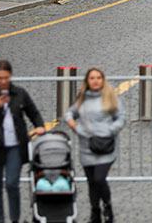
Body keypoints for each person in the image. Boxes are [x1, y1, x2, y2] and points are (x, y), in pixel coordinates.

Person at [0, 60, 46, 223]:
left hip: (15, 146)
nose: (2, 81)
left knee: (12, 184)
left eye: (6, 78)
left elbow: (33, 111)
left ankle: (15, 219)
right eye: (0, 78)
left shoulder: (19, 93)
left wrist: (40, 125)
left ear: (11, 76)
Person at [65, 68, 126, 223]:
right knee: (91, 182)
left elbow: (121, 118)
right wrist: (74, 126)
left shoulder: (110, 97)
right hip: (86, 147)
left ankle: (108, 206)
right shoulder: (82, 99)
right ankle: (95, 212)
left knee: (99, 179)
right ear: (87, 81)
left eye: (99, 77)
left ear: (103, 79)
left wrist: (109, 131)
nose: (96, 80)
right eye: (92, 78)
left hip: (105, 146)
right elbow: (69, 113)